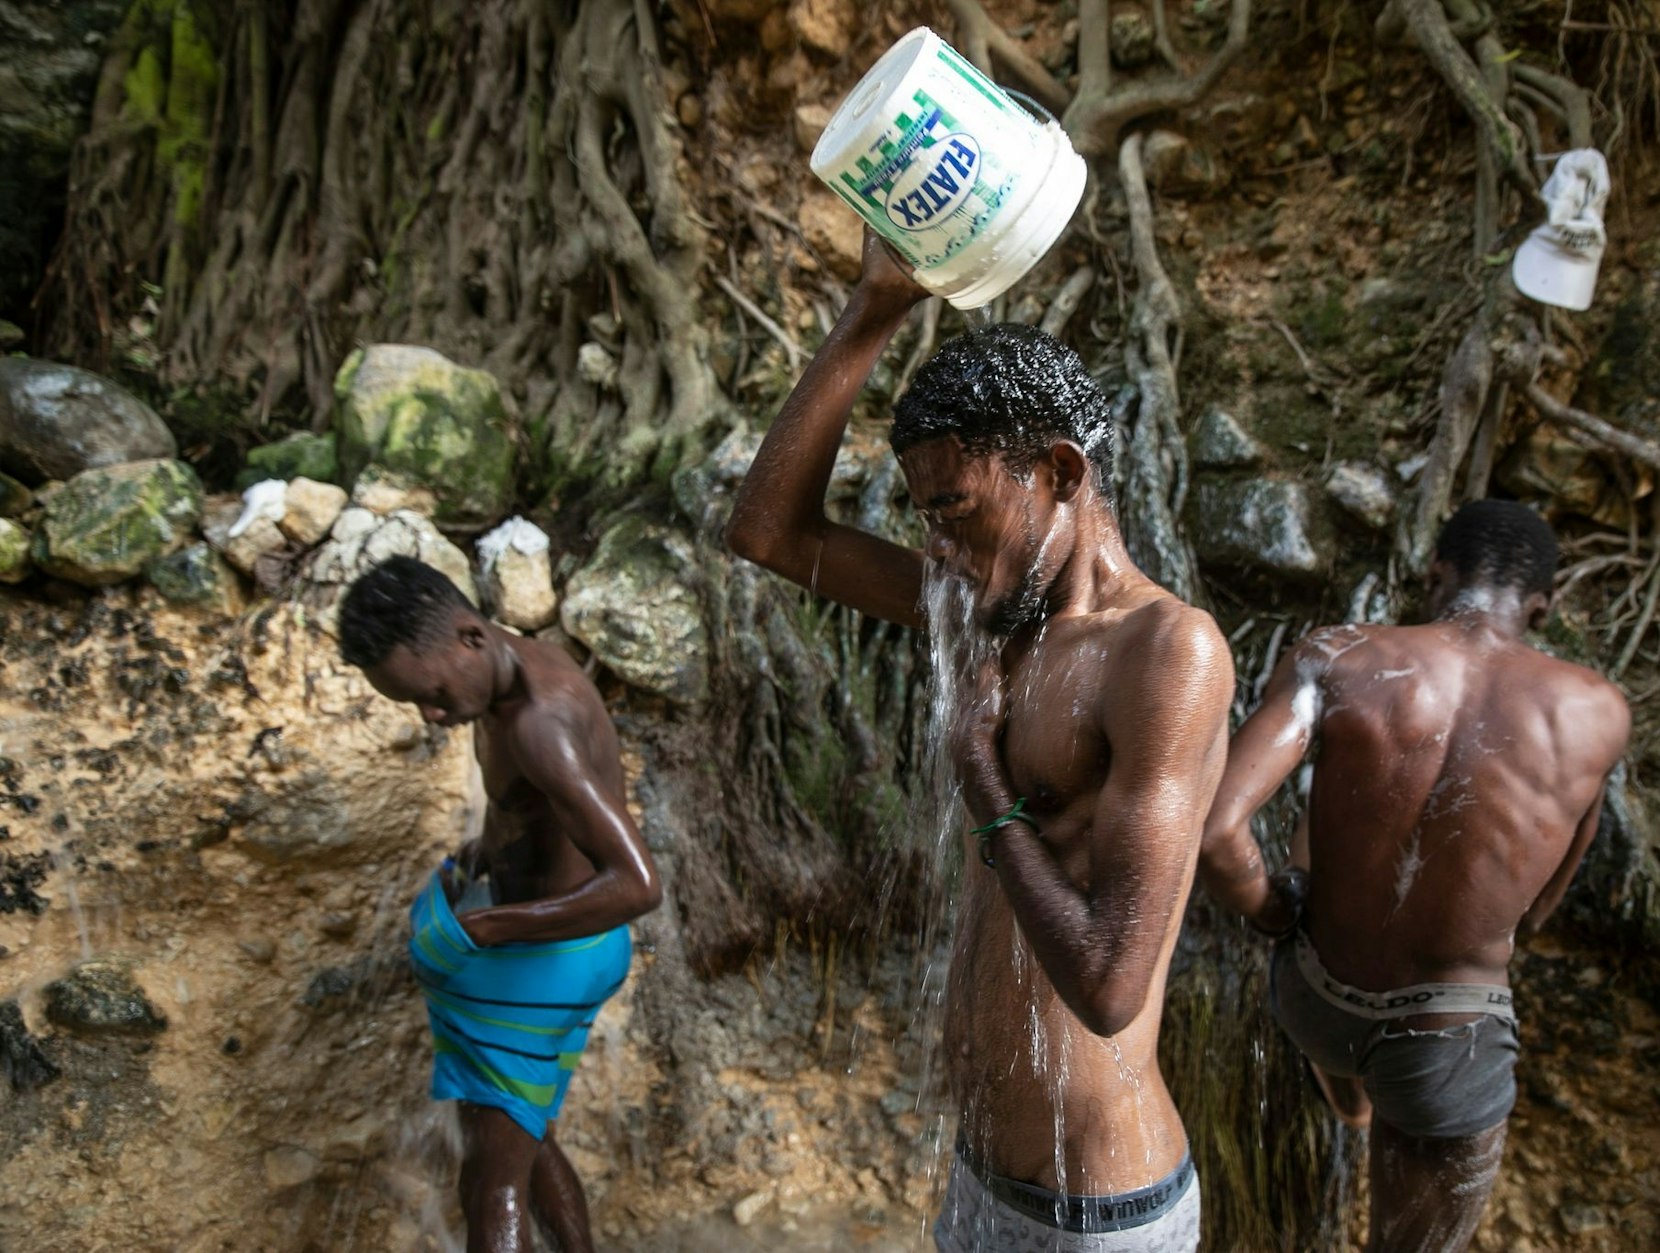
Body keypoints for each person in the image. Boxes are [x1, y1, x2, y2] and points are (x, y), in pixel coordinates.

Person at [727, 235, 1233, 1251]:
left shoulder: (1164, 651)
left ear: (1056, 470)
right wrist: (873, 310)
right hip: (985, 1184)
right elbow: (768, 534)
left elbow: (1107, 985)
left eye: (954, 509)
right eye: (923, 518)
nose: (936, 549)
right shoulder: (994, 615)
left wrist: (980, 778)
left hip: (1096, 1214)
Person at [1198, 499, 1631, 1252]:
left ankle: (1356, 1106)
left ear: (1437, 576)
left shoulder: (1333, 657)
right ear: (1541, 606)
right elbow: (1547, 893)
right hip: (1445, 1036)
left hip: (1314, 996)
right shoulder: (1597, 710)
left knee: (1332, 807)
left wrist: (1272, 910)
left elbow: (1216, 832)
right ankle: (1386, 1110)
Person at [337, 555, 663, 1253]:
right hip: (556, 953)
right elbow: (530, 806)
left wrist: (486, 925)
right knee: (525, 1139)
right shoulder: (504, 675)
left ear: (468, 637)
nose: (429, 714)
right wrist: (488, 851)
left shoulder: (540, 722)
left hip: (548, 960)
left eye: (428, 693)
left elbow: (638, 884)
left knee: (491, 1184)